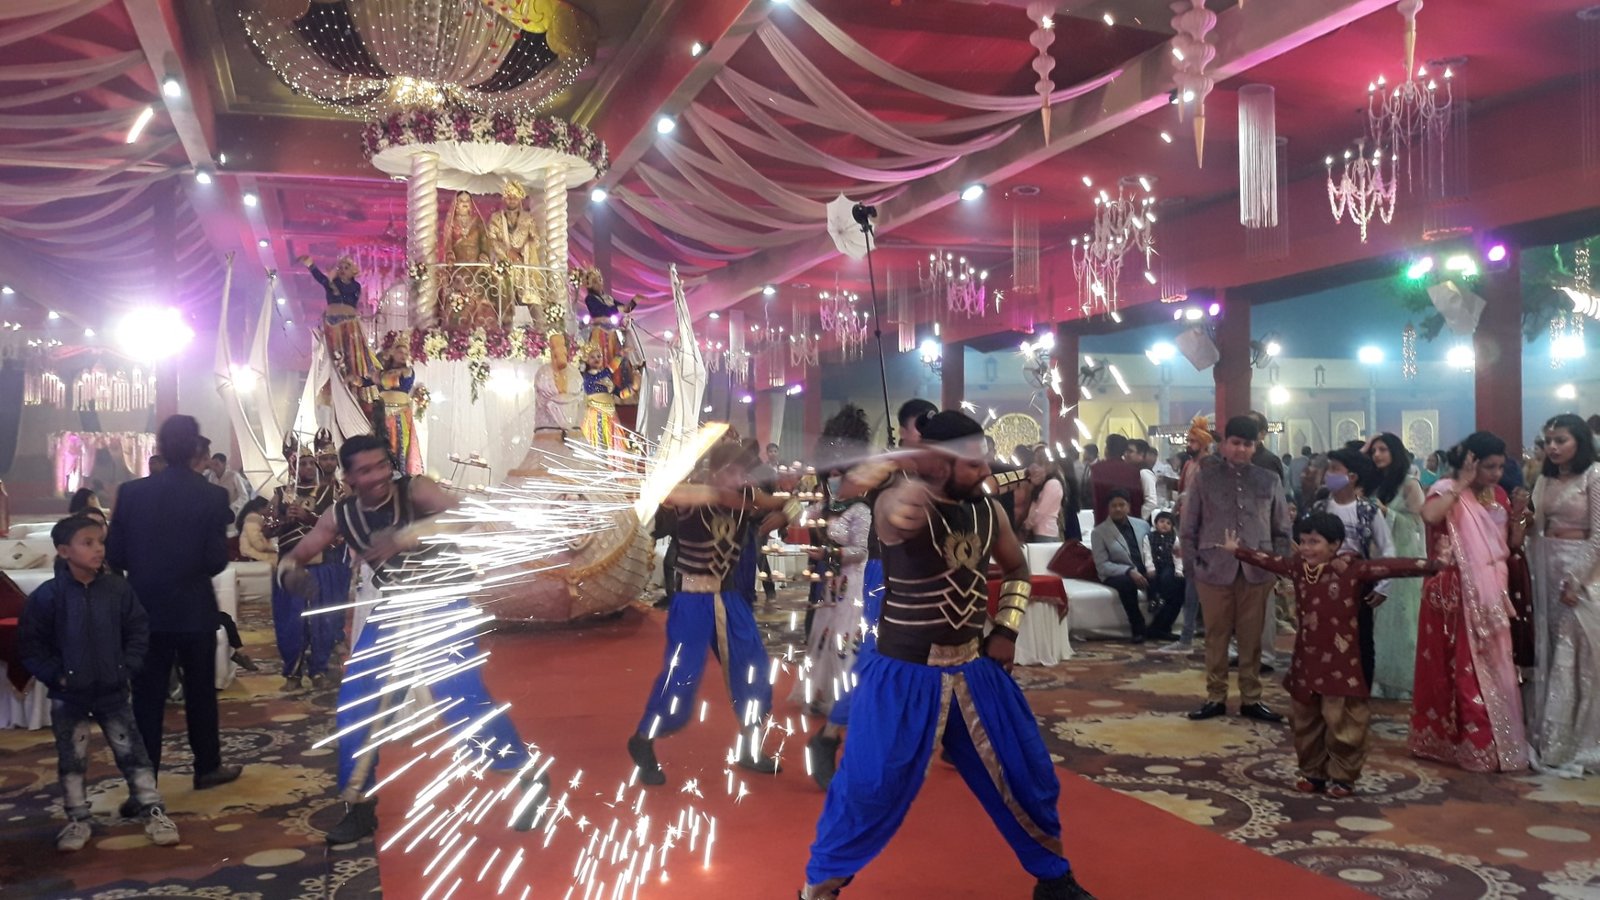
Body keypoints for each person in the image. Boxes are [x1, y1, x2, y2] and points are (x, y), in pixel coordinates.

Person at [800, 411, 1094, 900]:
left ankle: (1053, 878)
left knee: (1025, 772)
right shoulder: (898, 503)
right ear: (938, 463)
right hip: (903, 676)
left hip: (974, 669)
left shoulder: (989, 510)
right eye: (973, 464)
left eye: (985, 461)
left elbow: (1017, 569)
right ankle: (819, 887)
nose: (985, 471)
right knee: (871, 788)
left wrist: (1007, 630)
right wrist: (904, 499)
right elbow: (894, 516)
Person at [280, 434, 535, 843]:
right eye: (367, 470)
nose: (380, 476)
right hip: (394, 608)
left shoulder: (415, 490)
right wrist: (290, 571)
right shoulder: (340, 515)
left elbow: (467, 514)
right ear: (348, 478)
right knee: (356, 703)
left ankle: (524, 772)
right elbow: (299, 553)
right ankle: (359, 807)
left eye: (383, 465)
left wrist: (409, 534)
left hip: (444, 604)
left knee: (461, 700)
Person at [1223, 514, 1437, 797]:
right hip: (1306, 661)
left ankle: (1343, 777)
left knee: (1343, 722)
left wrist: (1435, 565)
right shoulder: (1299, 567)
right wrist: (1238, 551)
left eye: (1315, 542)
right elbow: (1270, 561)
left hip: (1342, 664)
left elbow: (1392, 566)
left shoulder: (1351, 569)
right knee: (1305, 720)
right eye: (1303, 541)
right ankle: (1313, 772)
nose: (1306, 548)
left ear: (1335, 544)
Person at [628, 442, 789, 786]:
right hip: (692, 599)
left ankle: (750, 746)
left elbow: (782, 501)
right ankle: (644, 739)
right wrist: (718, 493)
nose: (740, 478)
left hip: (729, 598)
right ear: (715, 471)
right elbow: (666, 492)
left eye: (744, 472)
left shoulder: (747, 496)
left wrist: (788, 510)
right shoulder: (693, 494)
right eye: (733, 471)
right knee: (682, 675)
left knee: (754, 667)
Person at [19, 516, 181, 852]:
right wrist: (57, 675)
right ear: (64, 551)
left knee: (132, 752)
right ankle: (78, 818)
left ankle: (152, 810)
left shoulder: (118, 590)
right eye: (87, 543)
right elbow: (31, 646)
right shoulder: (49, 597)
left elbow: (138, 630)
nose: (98, 549)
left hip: (113, 691)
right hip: (69, 695)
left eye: (100, 542)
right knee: (72, 757)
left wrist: (127, 667)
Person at [106, 415, 242, 801]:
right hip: (194, 607)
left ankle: (144, 784)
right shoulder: (212, 496)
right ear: (197, 449)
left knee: (146, 699)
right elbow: (216, 560)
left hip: (145, 608)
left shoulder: (131, 492)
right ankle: (207, 767)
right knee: (200, 692)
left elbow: (116, 554)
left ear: (160, 447)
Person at [807, 398, 937, 788]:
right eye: (920, 429)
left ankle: (910, 743)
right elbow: (849, 489)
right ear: (906, 431)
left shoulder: (933, 470)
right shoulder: (886, 466)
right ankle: (831, 735)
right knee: (875, 661)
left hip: (925, 574)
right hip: (882, 574)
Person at [1410, 432, 1531, 772]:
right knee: (1461, 666)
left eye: (1500, 467)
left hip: (1492, 589)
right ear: (1470, 462)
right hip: (1454, 593)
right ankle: (1467, 743)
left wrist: (1520, 515)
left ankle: (1496, 741)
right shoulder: (1447, 489)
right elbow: (1430, 516)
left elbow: (1511, 543)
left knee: (1495, 663)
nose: (1495, 474)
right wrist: (1461, 483)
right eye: (1488, 467)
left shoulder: (1500, 494)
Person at [1181, 415, 1290, 722]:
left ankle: (1251, 698)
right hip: (1212, 569)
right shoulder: (1205, 478)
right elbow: (1188, 526)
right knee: (1215, 636)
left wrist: (1277, 566)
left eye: (1248, 444)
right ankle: (1215, 696)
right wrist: (1192, 566)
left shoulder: (1269, 479)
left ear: (1256, 446)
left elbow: (1282, 529)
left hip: (1257, 571)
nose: (1242, 449)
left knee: (1252, 638)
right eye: (1236, 443)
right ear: (1224, 444)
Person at [1527, 414, 1600, 774]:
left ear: (1580, 442)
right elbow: (1537, 528)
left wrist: (1576, 580)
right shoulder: (1545, 479)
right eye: (1549, 441)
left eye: (1561, 440)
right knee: (1553, 650)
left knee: (1578, 655)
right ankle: (1553, 738)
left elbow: (1599, 535)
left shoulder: (1594, 476)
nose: (1553, 447)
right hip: (1547, 567)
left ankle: (1577, 740)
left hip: (1583, 571)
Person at [1306, 448, 1395, 689]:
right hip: (1323, 583)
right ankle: (1324, 687)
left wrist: (1383, 586)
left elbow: (1387, 547)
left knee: (1361, 638)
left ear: (1352, 477)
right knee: (1322, 635)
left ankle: (1361, 691)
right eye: (1329, 468)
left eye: (1335, 469)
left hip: (1358, 585)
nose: (1328, 474)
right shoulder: (1320, 508)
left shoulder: (1368, 511)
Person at [267, 439, 347, 691]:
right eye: (303, 464)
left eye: (312, 463)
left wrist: (309, 518)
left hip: (323, 565)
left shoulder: (331, 493)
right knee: (291, 621)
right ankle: (292, 672)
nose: (309, 468)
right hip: (291, 567)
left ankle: (319, 669)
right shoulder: (281, 494)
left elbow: (341, 530)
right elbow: (267, 528)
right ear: (293, 467)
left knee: (322, 620)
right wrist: (284, 519)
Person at [1365, 433, 1427, 699]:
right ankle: (1379, 678)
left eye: (1383, 450)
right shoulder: (1373, 484)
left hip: (1403, 558)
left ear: (1396, 453)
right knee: (1377, 621)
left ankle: (1404, 682)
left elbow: (1419, 524)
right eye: (1374, 451)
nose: (1377, 455)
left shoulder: (1410, 485)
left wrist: (1387, 513)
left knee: (1402, 620)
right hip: (1376, 557)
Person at [1157, 415, 1217, 655]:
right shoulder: (1189, 465)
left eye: (1193, 441)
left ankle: (1202, 638)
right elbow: (1184, 494)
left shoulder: (1209, 465)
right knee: (1191, 585)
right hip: (1190, 529)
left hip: (1206, 532)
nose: (1188, 445)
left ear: (1203, 444)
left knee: (1208, 588)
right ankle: (1187, 637)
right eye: (1189, 440)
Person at [1091, 489, 1152, 642]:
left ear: (1128, 507)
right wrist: (1129, 571)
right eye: (1114, 506)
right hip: (1116, 574)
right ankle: (1138, 628)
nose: (1118, 509)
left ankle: (1161, 627)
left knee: (1173, 580)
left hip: (1144, 569)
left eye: (1122, 505)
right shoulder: (1099, 532)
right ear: (1108, 508)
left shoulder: (1143, 525)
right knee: (1127, 584)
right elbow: (1102, 565)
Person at [1142, 511, 1185, 641]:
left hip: (1168, 566)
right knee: (1152, 580)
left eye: (1168, 523)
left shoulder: (1174, 538)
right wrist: (1150, 567)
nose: (1165, 525)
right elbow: (1147, 554)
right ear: (1155, 523)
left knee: (1169, 579)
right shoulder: (1149, 537)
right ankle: (1155, 600)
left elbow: (1177, 557)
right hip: (1154, 566)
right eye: (1161, 522)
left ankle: (1161, 602)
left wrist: (1179, 570)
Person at [1090, 434, 1144, 525]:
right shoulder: (1133, 471)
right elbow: (1136, 500)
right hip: (1128, 520)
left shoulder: (1097, 468)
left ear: (1107, 449)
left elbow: (1096, 498)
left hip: (1104, 518)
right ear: (1124, 451)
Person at [1023, 451, 1067, 542]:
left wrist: (1027, 525)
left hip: (1046, 532)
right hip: (1040, 531)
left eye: (1040, 464)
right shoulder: (1045, 484)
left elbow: (1041, 511)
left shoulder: (1053, 484)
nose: (1036, 469)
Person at [236, 497, 276, 564]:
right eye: (268, 507)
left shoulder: (255, 521)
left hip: (252, 552)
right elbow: (258, 545)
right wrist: (271, 547)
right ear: (261, 508)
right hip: (251, 554)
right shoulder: (252, 521)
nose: (270, 510)